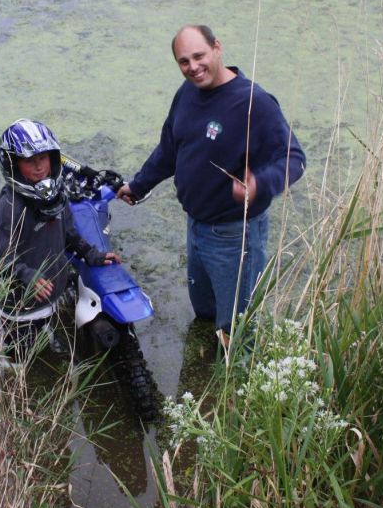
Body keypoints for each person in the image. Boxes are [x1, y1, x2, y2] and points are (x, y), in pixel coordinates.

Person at [117, 24, 306, 343]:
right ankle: (203, 372)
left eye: (199, 56)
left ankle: (236, 385)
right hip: (196, 226)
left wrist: (260, 183)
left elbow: (294, 159)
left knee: (237, 328)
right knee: (204, 313)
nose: (193, 67)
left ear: (217, 48)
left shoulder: (253, 102)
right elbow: (169, 149)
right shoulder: (187, 92)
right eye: (184, 61)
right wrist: (138, 186)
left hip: (235, 235)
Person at [0, 118, 119, 362]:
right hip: (21, 307)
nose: (39, 167)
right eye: (29, 161)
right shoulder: (10, 208)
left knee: (43, 342)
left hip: (50, 295)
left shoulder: (57, 197)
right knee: (19, 360)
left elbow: (68, 234)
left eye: (43, 159)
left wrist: (93, 255)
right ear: (13, 165)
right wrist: (29, 278)